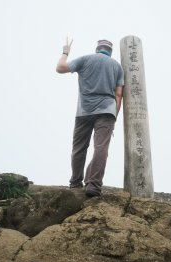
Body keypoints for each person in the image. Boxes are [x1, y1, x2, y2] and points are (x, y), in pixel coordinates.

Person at [56, 38, 124, 197]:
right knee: (101, 148)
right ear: (110, 51)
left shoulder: (85, 59)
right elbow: (119, 94)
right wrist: (114, 115)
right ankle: (93, 185)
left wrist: (65, 52)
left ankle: (75, 183)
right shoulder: (117, 66)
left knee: (79, 147)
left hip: (84, 111)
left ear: (97, 49)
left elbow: (59, 68)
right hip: (107, 110)